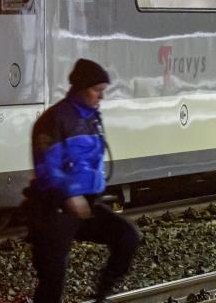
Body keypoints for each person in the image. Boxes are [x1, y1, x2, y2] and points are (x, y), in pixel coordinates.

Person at [27, 58, 141, 303]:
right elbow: (47, 166)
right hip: (53, 209)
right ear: (80, 88)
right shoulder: (54, 119)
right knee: (53, 279)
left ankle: (102, 294)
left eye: (103, 92)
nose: (101, 97)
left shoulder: (92, 118)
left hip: (85, 206)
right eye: (97, 91)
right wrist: (69, 195)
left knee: (128, 236)